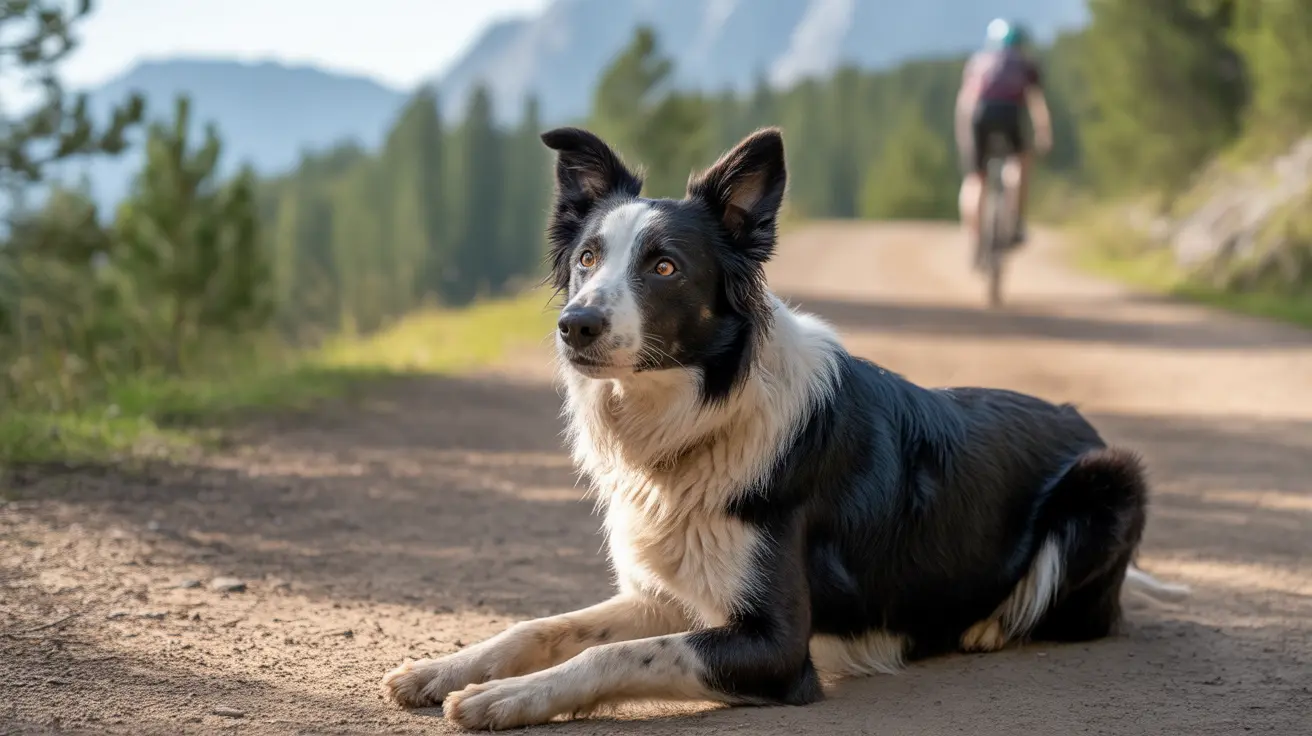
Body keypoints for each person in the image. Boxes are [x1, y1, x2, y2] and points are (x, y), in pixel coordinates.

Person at [955, 18, 1052, 251]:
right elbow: (1036, 102)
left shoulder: (977, 61)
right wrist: (1044, 132)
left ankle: (974, 234)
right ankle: (1015, 222)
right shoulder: (1025, 63)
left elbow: (964, 103)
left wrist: (964, 137)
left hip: (978, 115)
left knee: (976, 178)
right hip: (1010, 114)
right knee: (1019, 163)